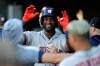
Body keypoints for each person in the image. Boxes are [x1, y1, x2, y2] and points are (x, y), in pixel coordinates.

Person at [2, 18, 71, 65]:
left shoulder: (26, 51)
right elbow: (55, 58)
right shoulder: (25, 52)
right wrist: (79, 56)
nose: (49, 22)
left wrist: (23, 22)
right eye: (46, 19)